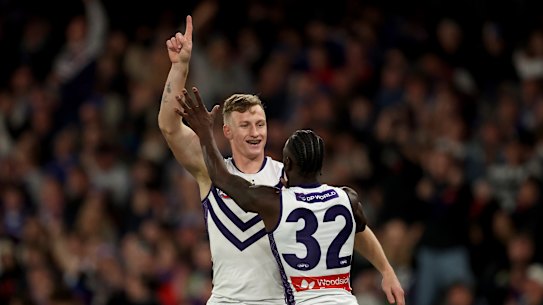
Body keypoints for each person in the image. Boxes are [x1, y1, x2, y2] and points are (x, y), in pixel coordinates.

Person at [158, 15, 404, 305]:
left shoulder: (289, 178)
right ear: (227, 131)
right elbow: (168, 126)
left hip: (279, 300)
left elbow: (349, 222)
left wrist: (385, 268)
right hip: (227, 299)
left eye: (260, 124)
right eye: (246, 125)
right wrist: (180, 67)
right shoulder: (211, 168)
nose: (255, 132)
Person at [175, 87, 403, 305]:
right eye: (246, 125)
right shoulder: (346, 198)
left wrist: (205, 133)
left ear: (288, 165)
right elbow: (360, 230)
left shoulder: (277, 202)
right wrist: (386, 269)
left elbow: (223, 180)